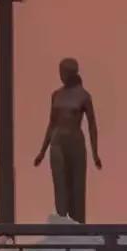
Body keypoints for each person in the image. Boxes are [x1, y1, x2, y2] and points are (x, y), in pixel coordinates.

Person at [33, 58, 102, 222]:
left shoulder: (84, 96)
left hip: (76, 143)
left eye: (63, 72)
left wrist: (95, 154)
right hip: (58, 143)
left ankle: (78, 227)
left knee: (77, 187)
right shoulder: (56, 95)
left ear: (71, 74)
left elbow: (92, 125)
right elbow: (51, 123)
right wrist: (42, 151)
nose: (61, 75)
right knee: (60, 186)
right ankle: (62, 223)